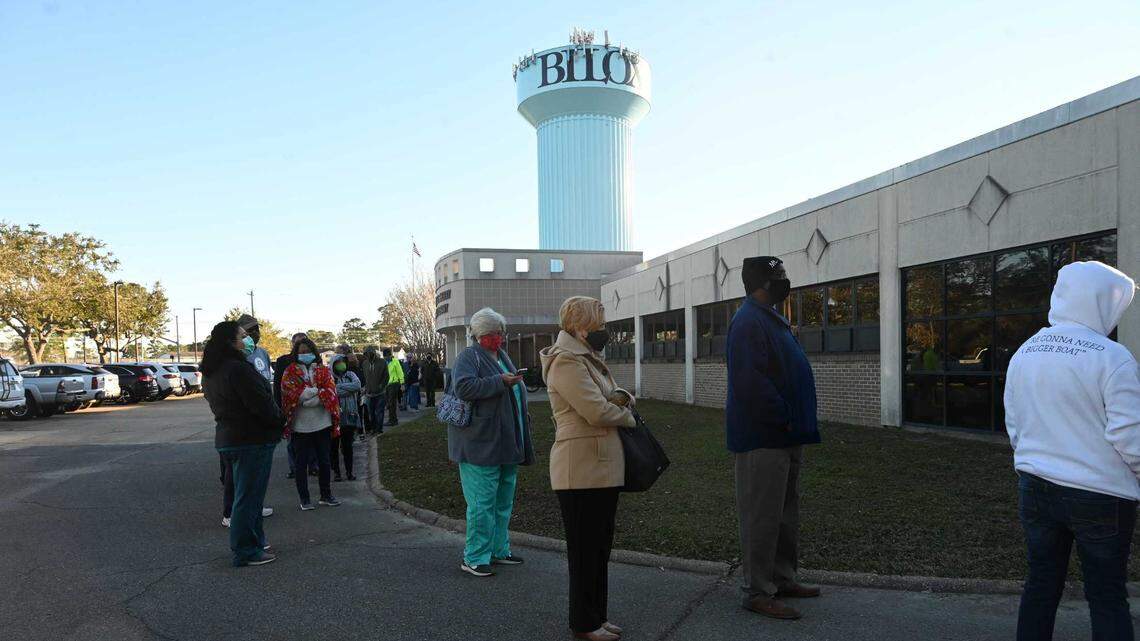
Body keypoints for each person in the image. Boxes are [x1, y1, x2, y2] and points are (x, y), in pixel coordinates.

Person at [1005, 261, 1140, 641]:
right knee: (1107, 595)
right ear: (1101, 302)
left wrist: (1032, 462)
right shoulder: (1113, 358)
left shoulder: (1026, 351)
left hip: (1035, 488)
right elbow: (1131, 438)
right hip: (1102, 497)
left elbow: (1014, 424)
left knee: (1041, 586)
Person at [726, 256, 821, 621]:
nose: (785, 281)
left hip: (785, 434)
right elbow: (751, 383)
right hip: (763, 437)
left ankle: (782, 578)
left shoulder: (770, 318)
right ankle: (757, 591)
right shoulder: (748, 322)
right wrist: (782, 417)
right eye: (779, 276)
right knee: (761, 517)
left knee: (784, 514)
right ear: (762, 283)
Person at [539, 296, 636, 641]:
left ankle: (598, 616)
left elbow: (614, 397)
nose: (604, 333)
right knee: (585, 552)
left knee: (599, 548)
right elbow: (597, 411)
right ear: (580, 328)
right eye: (600, 326)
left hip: (600, 467)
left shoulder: (587, 359)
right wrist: (628, 416)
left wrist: (620, 404)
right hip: (579, 470)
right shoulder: (567, 362)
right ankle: (584, 623)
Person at [449, 307, 534, 577]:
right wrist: (501, 381)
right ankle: (474, 556)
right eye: (496, 334)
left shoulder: (501, 355)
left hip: (506, 443)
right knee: (482, 503)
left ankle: (498, 550)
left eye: (501, 332)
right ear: (481, 335)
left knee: (502, 501)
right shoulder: (468, 357)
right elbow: (463, 387)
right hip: (480, 444)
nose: (501, 337)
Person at [200, 321, 283, 567]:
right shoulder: (237, 369)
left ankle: (255, 541)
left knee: (245, 495)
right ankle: (246, 550)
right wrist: (279, 421)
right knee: (249, 498)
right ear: (231, 341)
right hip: (251, 440)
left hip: (229, 438)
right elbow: (260, 404)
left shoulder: (212, 371)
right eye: (244, 335)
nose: (249, 339)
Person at [218, 314, 276, 525]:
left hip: (260, 423)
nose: (254, 335)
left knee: (255, 474)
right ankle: (230, 513)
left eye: (256, 330)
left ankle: (255, 506)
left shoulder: (262, 353)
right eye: (248, 332)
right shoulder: (230, 360)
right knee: (234, 475)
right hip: (238, 427)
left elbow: (266, 383)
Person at [280, 337, 342, 510]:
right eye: (301, 352)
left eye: (307, 351)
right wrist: (317, 394)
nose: (304, 354)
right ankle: (304, 499)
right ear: (295, 353)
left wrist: (307, 397)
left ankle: (326, 495)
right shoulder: (290, 371)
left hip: (322, 423)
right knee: (301, 463)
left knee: (324, 461)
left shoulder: (323, 370)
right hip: (300, 426)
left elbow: (330, 391)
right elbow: (290, 393)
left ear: (314, 352)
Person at [275, 332, 308, 480]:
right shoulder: (283, 361)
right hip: (289, 406)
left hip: (308, 406)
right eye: (297, 343)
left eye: (304, 342)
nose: (301, 347)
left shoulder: (312, 360)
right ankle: (294, 468)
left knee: (310, 439)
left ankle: (312, 466)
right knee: (291, 441)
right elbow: (277, 386)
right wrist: (278, 406)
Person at [329, 353, 362, 482]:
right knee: (333, 447)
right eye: (338, 362)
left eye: (343, 362)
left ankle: (349, 472)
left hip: (350, 417)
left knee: (348, 447)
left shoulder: (351, 375)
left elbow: (357, 386)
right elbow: (330, 391)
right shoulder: (330, 377)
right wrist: (348, 390)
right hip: (335, 419)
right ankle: (337, 472)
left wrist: (338, 388)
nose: (341, 365)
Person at [360, 345, 389, 435]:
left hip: (380, 393)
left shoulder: (382, 362)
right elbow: (365, 377)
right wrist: (366, 388)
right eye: (366, 354)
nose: (368, 355)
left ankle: (379, 429)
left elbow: (386, 376)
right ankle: (373, 429)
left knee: (379, 412)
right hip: (369, 393)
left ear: (373, 353)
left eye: (370, 353)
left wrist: (381, 386)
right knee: (371, 413)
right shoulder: (364, 364)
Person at [384, 348, 405, 427]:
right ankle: (393, 419)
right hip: (386, 385)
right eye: (385, 356)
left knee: (391, 403)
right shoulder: (384, 362)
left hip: (394, 384)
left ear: (390, 355)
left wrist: (402, 383)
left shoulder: (395, 361)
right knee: (389, 403)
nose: (386, 357)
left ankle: (392, 420)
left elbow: (400, 372)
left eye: (387, 356)